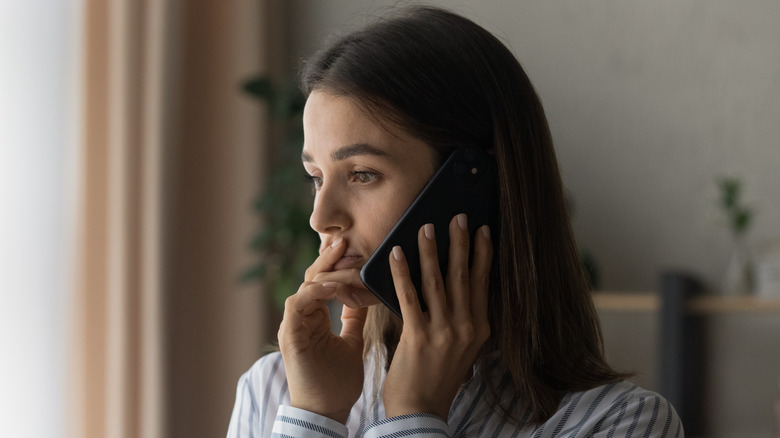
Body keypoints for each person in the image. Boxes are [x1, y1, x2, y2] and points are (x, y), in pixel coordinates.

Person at [227, 6, 683, 438]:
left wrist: (413, 415)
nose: (320, 218)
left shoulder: (620, 422)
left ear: (476, 186)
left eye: (363, 174)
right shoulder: (274, 392)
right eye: (316, 178)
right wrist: (314, 417)